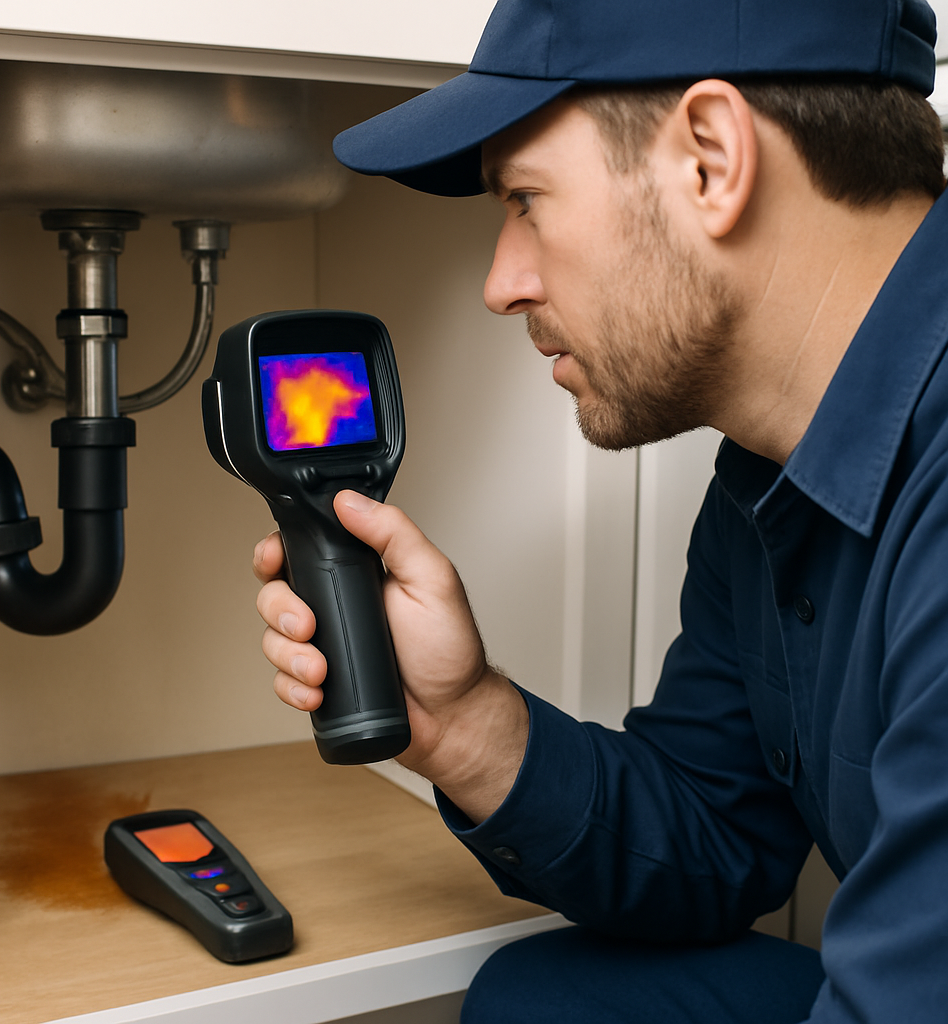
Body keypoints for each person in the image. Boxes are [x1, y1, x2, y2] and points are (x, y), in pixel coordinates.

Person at [253, 1, 948, 1020]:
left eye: (526, 198)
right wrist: (462, 724)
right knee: (553, 1002)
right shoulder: (770, 471)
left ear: (709, 158)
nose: (500, 281)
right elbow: (720, 833)